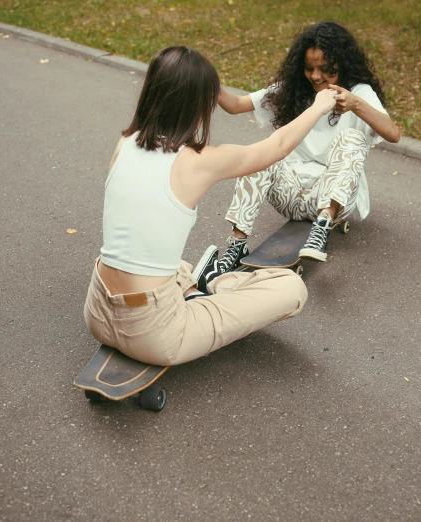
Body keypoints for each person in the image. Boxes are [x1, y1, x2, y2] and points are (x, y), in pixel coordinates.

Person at [83, 46, 338, 366]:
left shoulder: (125, 144)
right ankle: (209, 284)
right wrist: (319, 105)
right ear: (199, 105)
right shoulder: (198, 162)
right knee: (291, 289)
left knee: (149, 249)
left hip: (96, 311)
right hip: (154, 334)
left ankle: (192, 284)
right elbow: (278, 147)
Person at [202, 21, 400, 277]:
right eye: (309, 68)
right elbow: (236, 104)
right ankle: (238, 245)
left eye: (326, 69)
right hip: (291, 194)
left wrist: (356, 105)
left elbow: (393, 134)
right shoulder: (293, 90)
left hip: (334, 201)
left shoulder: (359, 93)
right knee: (262, 153)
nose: (316, 76)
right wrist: (205, 75)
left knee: (352, 137)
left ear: (343, 65)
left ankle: (321, 230)